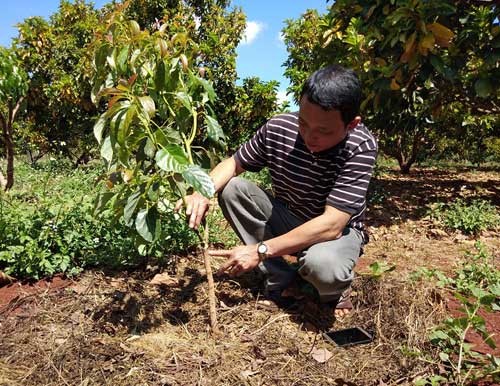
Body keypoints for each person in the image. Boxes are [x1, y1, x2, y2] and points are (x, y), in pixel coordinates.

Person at [175, 64, 377, 318]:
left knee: (323, 267)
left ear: (351, 125)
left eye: (323, 131)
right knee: (232, 188)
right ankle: (282, 278)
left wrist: (260, 250)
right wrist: (203, 191)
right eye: (303, 123)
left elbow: (332, 224)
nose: (309, 136)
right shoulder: (280, 128)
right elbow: (234, 163)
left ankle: (334, 289)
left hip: (336, 233)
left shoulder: (360, 145)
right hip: (291, 217)